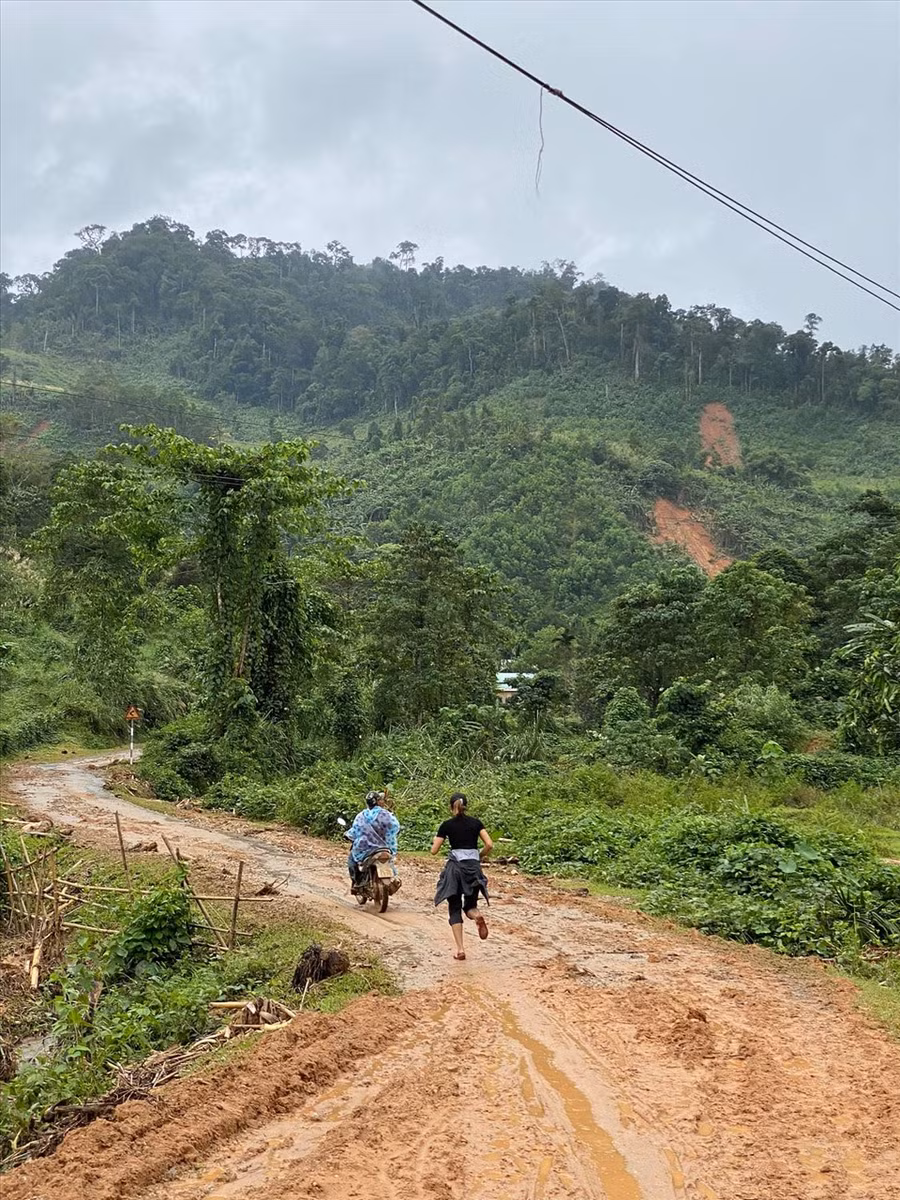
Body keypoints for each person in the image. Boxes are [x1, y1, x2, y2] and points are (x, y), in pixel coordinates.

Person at [431, 792, 492, 960]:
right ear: (466, 806)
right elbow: (489, 844)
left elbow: (434, 850)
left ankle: (460, 950)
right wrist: (479, 855)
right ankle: (476, 916)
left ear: (451, 807)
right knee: (470, 906)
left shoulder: (447, 825)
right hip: (473, 868)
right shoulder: (476, 823)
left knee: (455, 907)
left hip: (455, 869)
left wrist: (437, 840)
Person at [347, 790, 401, 894]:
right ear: (378, 802)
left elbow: (354, 831)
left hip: (365, 850)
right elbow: (395, 827)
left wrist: (348, 835)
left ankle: (356, 883)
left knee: (352, 861)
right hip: (384, 848)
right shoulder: (387, 815)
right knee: (389, 861)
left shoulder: (361, 816)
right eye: (381, 799)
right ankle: (393, 878)